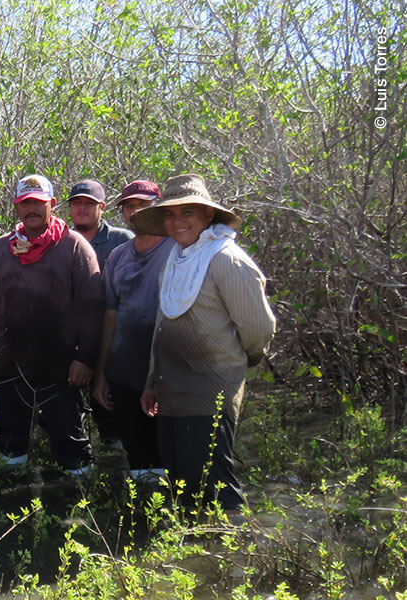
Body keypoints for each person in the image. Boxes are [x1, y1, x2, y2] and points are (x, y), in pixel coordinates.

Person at [132, 174, 275, 515]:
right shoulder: (176, 259)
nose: (177, 221)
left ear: (207, 215)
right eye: (170, 214)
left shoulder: (226, 259)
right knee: (183, 483)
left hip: (212, 390)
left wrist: (240, 364)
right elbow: (162, 324)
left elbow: (259, 327)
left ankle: (235, 556)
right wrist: (152, 381)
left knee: (217, 486)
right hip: (172, 391)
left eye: (187, 212)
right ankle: (196, 556)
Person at [0, 174, 103, 478]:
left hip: (61, 369)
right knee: (11, 448)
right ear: (17, 207)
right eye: (25, 204)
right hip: (10, 367)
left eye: (38, 203)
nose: (31, 209)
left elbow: (92, 310)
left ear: (52, 204)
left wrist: (84, 359)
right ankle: (12, 503)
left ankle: (79, 508)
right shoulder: (0, 249)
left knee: (70, 445)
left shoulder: (75, 247)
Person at [92, 181, 169, 481]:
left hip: (167, 373)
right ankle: (143, 524)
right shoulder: (118, 257)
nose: (135, 212)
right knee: (137, 461)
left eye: (143, 205)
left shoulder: (177, 250)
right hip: (124, 374)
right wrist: (101, 373)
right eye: (129, 206)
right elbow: (110, 314)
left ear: (159, 208)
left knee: (171, 457)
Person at [67, 179, 134, 449]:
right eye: (77, 203)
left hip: (114, 346)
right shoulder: (61, 240)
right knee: (69, 421)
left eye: (89, 204)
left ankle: (117, 477)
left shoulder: (122, 240)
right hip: (73, 348)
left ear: (102, 207)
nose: (82, 208)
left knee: (114, 423)